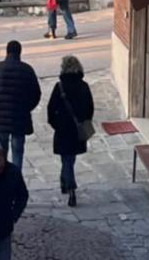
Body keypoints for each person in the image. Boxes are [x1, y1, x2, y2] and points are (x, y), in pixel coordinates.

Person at [0, 40, 41, 172]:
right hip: (20, 118)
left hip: (1, 118)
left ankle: (3, 179)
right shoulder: (27, 70)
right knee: (18, 152)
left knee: (1, 153)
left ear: (7, 52)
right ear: (20, 52)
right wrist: (26, 108)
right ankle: (15, 179)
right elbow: (36, 94)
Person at [46, 54, 95, 207]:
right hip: (77, 128)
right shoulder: (84, 86)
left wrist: (55, 124)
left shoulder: (59, 87)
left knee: (66, 158)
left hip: (62, 128)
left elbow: (50, 108)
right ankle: (66, 181)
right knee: (70, 158)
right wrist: (85, 121)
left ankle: (70, 186)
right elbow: (90, 107)